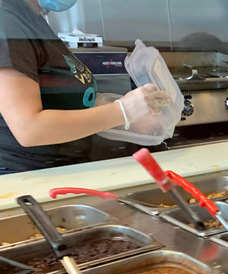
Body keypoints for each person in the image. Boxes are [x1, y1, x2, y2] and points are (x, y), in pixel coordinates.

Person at [0, 0, 170, 174]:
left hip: (60, 168)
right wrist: (123, 111)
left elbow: (60, 99)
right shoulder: (7, 20)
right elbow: (29, 130)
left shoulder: (32, 18)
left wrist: (125, 111)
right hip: (27, 175)